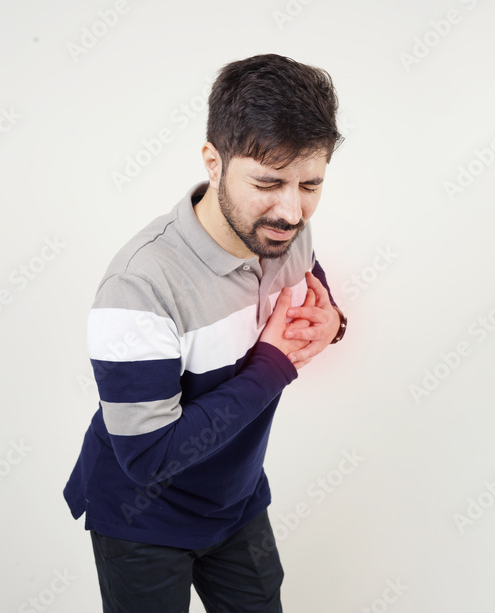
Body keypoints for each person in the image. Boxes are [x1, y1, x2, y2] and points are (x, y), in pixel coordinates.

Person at [64, 53, 348, 612]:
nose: (292, 212)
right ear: (214, 163)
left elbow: (307, 275)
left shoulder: (284, 231)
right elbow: (148, 457)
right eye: (268, 183)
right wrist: (273, 364)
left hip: (236, 499)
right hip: (142, 516)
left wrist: (334, 319)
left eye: (310, 185)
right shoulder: (138, 286)